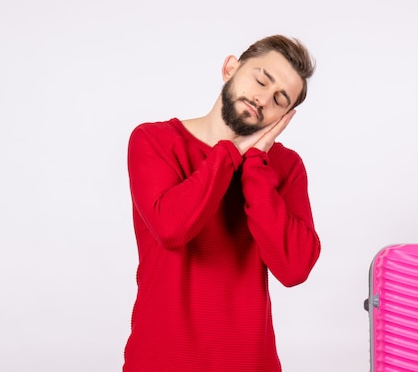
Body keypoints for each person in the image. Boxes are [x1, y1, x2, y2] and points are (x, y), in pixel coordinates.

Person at [123, 35, 322, 372]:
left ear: (284, 116)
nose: (263, 98)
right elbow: (172, 229)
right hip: (159, 363)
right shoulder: (153, 141)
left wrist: (256, 162)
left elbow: (294, 268)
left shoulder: (285, 167)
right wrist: (230, 151)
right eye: (261, 79)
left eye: (279, 99)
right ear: (231, 68)